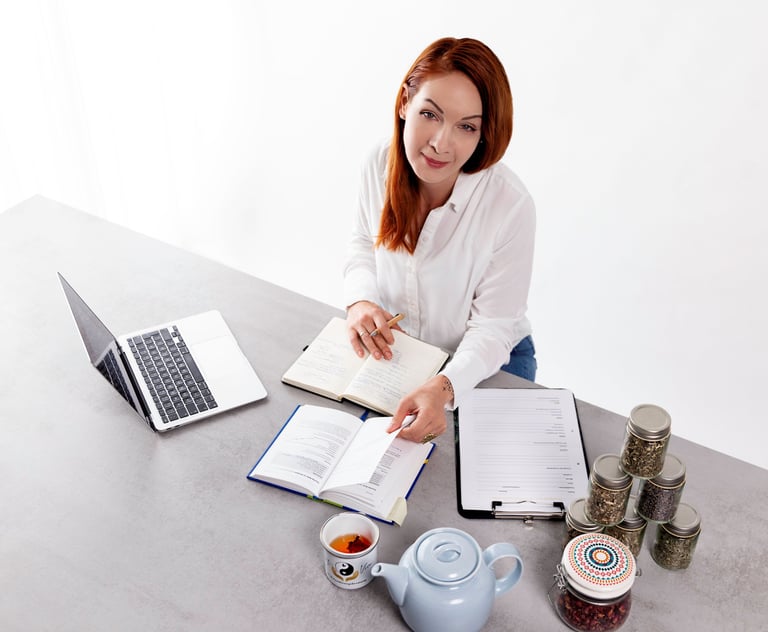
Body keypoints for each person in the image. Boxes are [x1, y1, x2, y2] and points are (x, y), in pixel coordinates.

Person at [343, 37, 536, 444]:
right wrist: (360, 300)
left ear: (484, 134)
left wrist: (445, 386)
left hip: (489, 363)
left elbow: (494, 329)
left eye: (466, 126)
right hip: (405, 355)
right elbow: (362, 242)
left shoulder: (510, 204)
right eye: (430, 114)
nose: (441, 143)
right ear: (404, 104)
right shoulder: (378, 162)